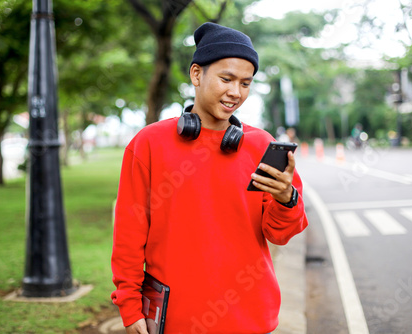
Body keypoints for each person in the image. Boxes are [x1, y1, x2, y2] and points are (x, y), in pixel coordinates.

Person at [111, 22, 308, 334]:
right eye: (226, 79)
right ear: (196, 75)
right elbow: (129, 234)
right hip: (176, 319)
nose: (235, 92)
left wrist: (287, 200)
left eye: (246, 83)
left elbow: (279, 234)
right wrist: (130, 305)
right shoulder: (149, 144)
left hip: (251, 317)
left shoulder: (262, 145)